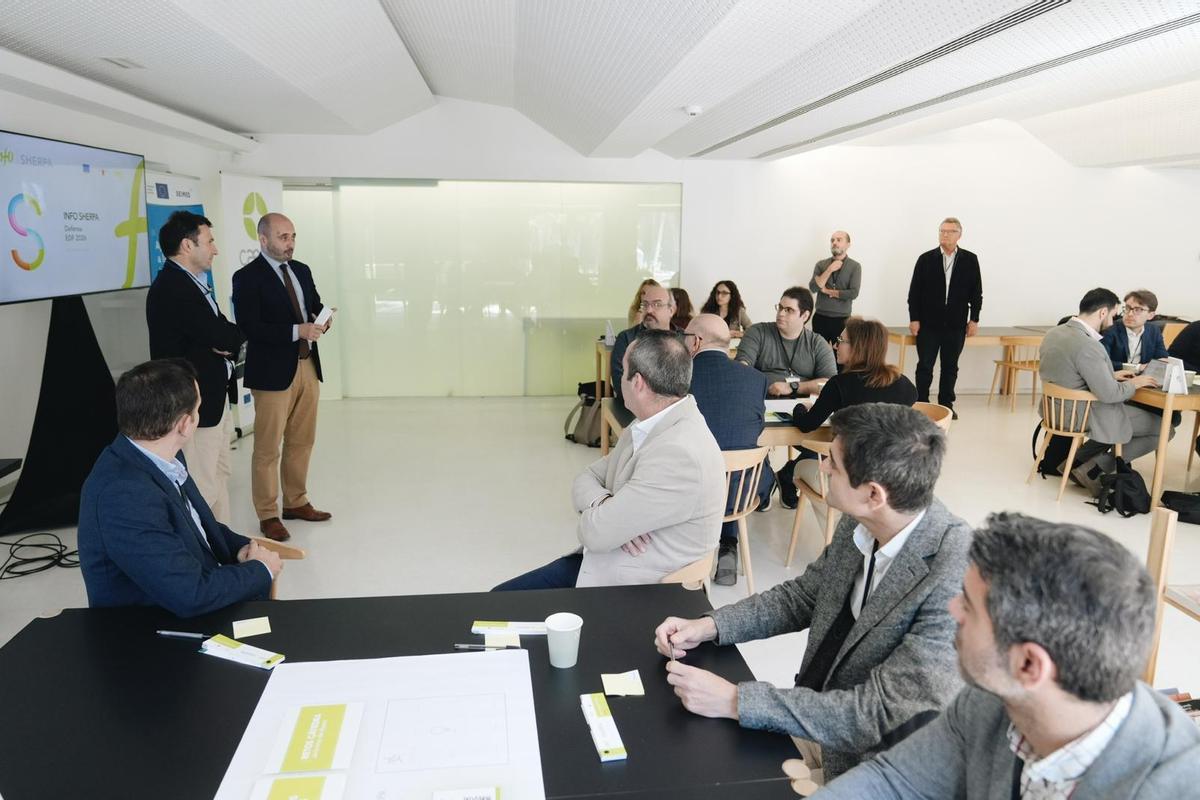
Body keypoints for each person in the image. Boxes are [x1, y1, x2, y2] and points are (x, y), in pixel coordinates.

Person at [654, 403, 970, 781]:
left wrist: (737, 700)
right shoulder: (862, 522)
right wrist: (709, 626)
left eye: (832, 464)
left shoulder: (954, 573)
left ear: (873, 494)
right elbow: (803, 597)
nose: (821, 468)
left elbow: (880, 715)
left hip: (877, 768)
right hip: (814, 719)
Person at [814, 513, 1200, 798]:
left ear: (1028, 665)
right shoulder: (991, 700)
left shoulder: (1174, 787)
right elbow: (893, 781)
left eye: (969, 606)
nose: (952, 610)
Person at [496, 331, 724, 590]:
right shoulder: (650, 423)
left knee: (498, 605)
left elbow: (595, 534)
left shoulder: (678, 453)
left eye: (622, 370)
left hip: (636, 589)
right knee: (497, 602)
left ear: (637, 382)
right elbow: (586, 477)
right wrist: (605, 503)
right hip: (605, 566)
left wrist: (606, 520)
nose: (617, 380)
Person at [78, 359, 282, 618]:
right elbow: (190, 595)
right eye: (198, 408)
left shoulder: (162, 456)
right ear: (185, 425)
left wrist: (241, 547)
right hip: (152, 632)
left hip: (188, 600)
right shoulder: (124, 495)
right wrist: (260, 569)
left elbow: (196, 525)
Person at [232, 212, 332, 543]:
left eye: (292, 236)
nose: (289, 243)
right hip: (272, 373)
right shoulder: (247, 277)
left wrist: (321, 320)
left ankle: (296, 502)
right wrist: (296, 330)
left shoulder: (301, 270)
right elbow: (250, 326)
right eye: (282, 237)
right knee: (267, 447)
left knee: (302, 440)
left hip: (307, 365)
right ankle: (268, 513)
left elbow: (313, 306)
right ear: (263, 240)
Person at [146, 211, 245, 524]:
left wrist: (222, 338)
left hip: (213, 398)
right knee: (202, 483)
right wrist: (220, 339)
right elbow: (223, 335)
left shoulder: (193, 284)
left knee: (219, 474)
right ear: (187, 246)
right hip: (194, 403)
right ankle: (204, 557)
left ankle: (224, 547)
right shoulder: (175, 288)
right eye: (210, 242)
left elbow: (225, 334)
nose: (215, 249)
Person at [776, 318, 917, 509]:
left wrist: (801, 407)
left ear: (858, 347)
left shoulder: (839, 384)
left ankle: (786, 473)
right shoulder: (906, 386)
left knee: (824, 448)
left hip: (848, 480)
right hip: (889, 479)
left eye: (841, 341)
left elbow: (806, 425)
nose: (835, 346)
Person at [1039, 288, 1170, 492]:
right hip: (1081, 414)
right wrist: (1134, 383)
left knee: (1140, 421)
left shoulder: (1054, 333)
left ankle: (1074, 464)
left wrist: (1112, 375)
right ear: (1102, 312)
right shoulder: (1090, 345)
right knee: (1163, 428)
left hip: (1055, 409)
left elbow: (1074, 373)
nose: (1115, 319)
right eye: (1114, 314)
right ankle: (1093, 469)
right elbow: (1110, 395)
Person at [684, 313, 774, 586]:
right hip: (743, 491)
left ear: (696, 342)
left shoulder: (677, 379)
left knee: (707, 467)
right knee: (736, 468)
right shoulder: (756, 379)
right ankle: (729, 545)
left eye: (685, 337)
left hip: (691, 492)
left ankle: (694, 557)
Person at [907, 217, 982, 418]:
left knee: (950, 367)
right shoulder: (926, 259)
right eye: (942, 231)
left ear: (959, 235)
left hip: (956, 325)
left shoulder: (970, 259)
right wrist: (914, 318)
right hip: (929, 324)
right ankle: (921, 402)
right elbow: (914, 291)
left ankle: (946, 405)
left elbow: (976, 293)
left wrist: (974, 319)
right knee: (925, 366)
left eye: (949, 231)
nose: (944, 234)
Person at [735, 286, 836, 399]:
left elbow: (830, 384)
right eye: (780, 307)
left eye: (789, 310)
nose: (781, 314)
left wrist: (793, 387)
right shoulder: (757, 332)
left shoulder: (817, 343)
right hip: (763, 400)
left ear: (805, 316)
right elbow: (741, 369)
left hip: (803, 406)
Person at [611, 283, 676, 402]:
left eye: (657, 304)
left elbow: (688, 385)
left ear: (671, 310)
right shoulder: (627, 339)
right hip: (636, 412)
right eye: (645, 305)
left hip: (674, 412)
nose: (649, 310)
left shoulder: (683, 340)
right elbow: (621, 386)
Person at [809, 231, 862, 346]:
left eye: (839, 240)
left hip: (842, 322)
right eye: (832, 240)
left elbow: (853, 293)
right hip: (820, 320)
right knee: (818, 355)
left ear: (848, 244)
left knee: (840, 355)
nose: (834, 243)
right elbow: (813, 287)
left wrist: (828, 291)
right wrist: (829, 270)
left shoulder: (855, 266)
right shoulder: (821, 264)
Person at [1101, 289, 1169, 370]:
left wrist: (1162, 362)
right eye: (1127, 308)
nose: (1130, 314)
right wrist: (1137, 368)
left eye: (1138, 310)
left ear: (1150, 315)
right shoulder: (1110, 330)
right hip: (1117, 378)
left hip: (1144, 377)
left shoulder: (1154, 331)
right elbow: (1103, 362)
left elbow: (1162, 357)